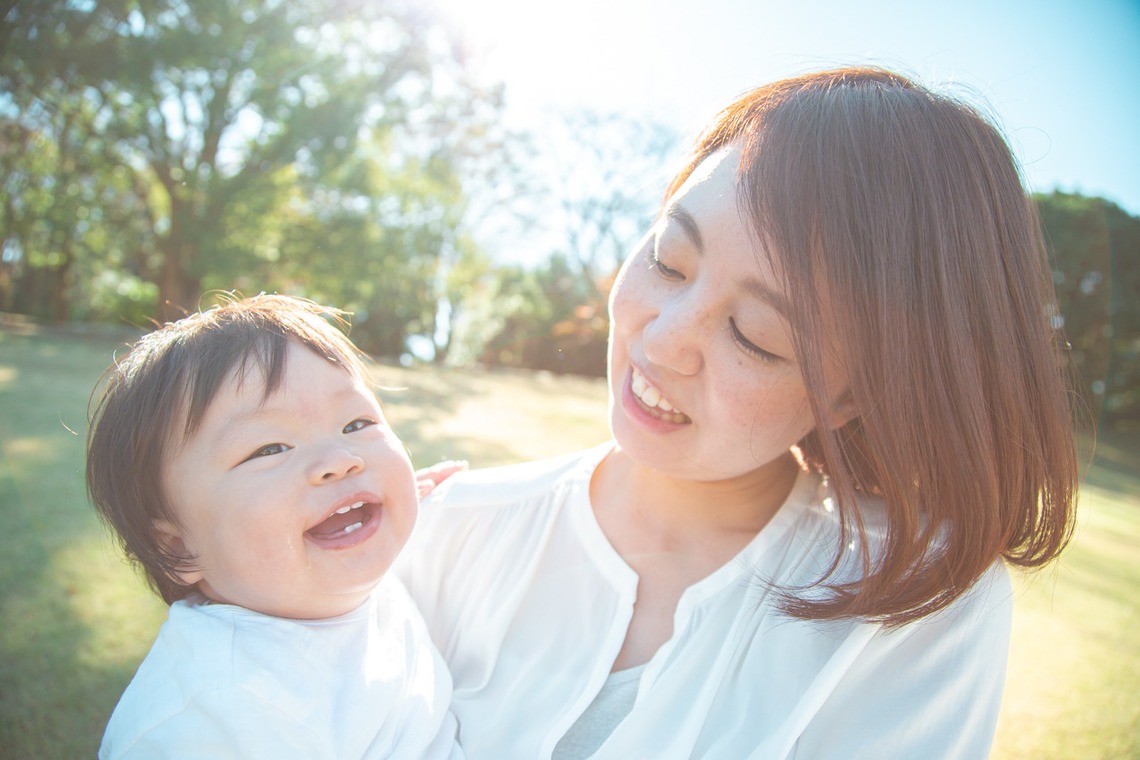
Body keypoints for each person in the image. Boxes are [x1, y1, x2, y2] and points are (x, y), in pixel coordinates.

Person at [395, 66, 1079, 759]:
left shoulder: (916, 603)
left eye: (754, 333)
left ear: (849, 396)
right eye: (668, 259)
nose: (663, 342)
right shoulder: (448, 529)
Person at [87, 294, 463, 759]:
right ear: (178, 546)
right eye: (270, 449)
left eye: (356, 423)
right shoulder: (212, 724)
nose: (341, 462)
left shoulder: (327, 579)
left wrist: (397, 494)